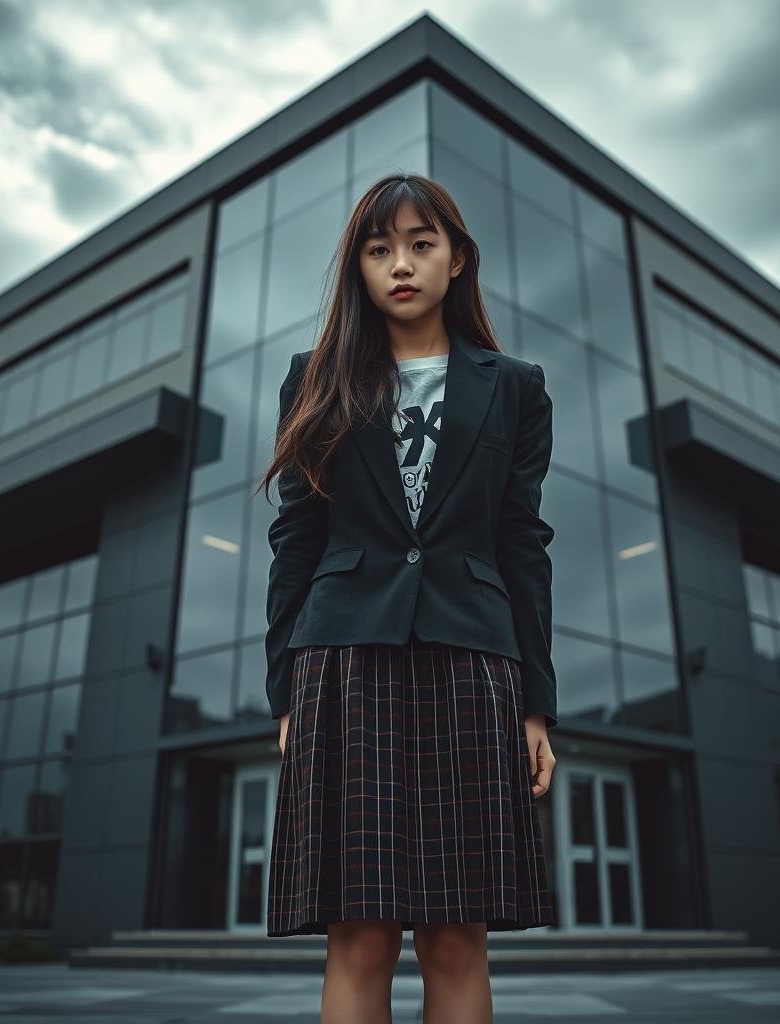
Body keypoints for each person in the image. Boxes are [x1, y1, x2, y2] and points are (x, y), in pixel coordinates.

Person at [257, 171, 557, 1023]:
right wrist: (284, 687)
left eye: (422, 244)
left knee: (458, 934)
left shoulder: (516, 385)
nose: (401, 264)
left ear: (457, 259)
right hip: (345, 657)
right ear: (358, 268)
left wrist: (537, 703)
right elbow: (297, 538)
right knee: (359, 934)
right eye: (379, 248)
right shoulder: (314, 377)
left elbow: (523, 541)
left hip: (473, 658)